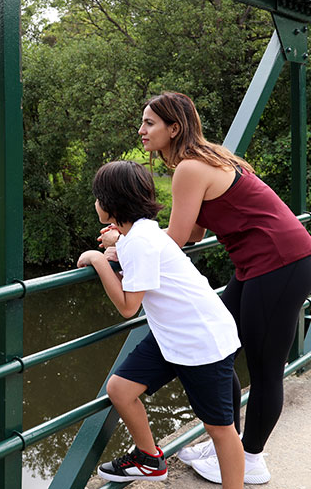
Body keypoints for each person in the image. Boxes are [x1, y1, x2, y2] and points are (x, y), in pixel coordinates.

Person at [100, 91, 311, 484]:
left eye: (150, 123)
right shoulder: (209, 158)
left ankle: (249, 459)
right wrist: (132, 240)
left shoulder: (189, 167)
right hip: (260, 264)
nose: (142, 130)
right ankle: (229, 442)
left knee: (265, 368)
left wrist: (122, 242)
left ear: (174, 128)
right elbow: (195, 231)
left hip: (279, 262)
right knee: (221, 346)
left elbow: (177, 237)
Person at [79, 160, 243, 487]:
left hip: (201, 343)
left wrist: (99, 261)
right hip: (173, 336)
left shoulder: (139, 241)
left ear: (112, 205)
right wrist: (116, 242)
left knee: (220, 430)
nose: (95, 203)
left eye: (98, 198)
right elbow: (133, 251)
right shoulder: (140, 233)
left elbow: (128, 307)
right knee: (120, 389)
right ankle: (150, 459)